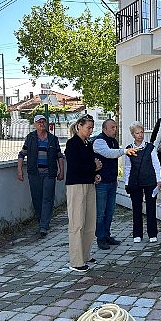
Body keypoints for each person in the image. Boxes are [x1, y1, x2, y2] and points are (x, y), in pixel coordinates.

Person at [92, 118, 139, 250]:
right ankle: (100, 238)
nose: (115, 129)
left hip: (112, 181)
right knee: (100, 212)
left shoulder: (113, 141)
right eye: (112, 127)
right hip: (101, 183)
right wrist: (124, 151)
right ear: (104, 128)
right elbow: (108, 154)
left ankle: (107, 235)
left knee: (110, 211)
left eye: (116, 127)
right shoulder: (99, 141)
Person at [64, 114, 103, 272]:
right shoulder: (72, 144)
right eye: (88, 128)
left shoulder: (88, 144)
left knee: (89, 222)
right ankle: (76, 261)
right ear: (79, 126)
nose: (90, 130)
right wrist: (94, 167)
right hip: (76, 186)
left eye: (92, 128)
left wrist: (95, 174)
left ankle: (85, 255)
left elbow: (90, 164)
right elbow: (76, 167)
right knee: (77, 223)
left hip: (89, 184)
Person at [17, 114, 65, 237]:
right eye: (39, 122)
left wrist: (61, 171)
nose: (41, 124)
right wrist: (19, 170)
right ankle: (41, 220)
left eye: (43, 122)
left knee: (48, 198)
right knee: (37, 198)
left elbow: (59, 156)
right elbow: (22, 154)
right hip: (34, 173)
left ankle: (44, 225)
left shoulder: (53, 139)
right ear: (35, 124)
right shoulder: (30, 138)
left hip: (49, 173)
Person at [124, 121, 161, 243]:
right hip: (135, 182)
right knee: (136, 207)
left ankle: (152, 233)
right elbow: (127, 167)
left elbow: (156, 164)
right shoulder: (129, 149)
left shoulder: (150, 147)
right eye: (137, 133)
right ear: (133, 134)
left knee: (151, 207)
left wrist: (158, 180)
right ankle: (137, 234)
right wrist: (126, 182)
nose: (140, 135)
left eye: (141, 132)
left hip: (150, 181)